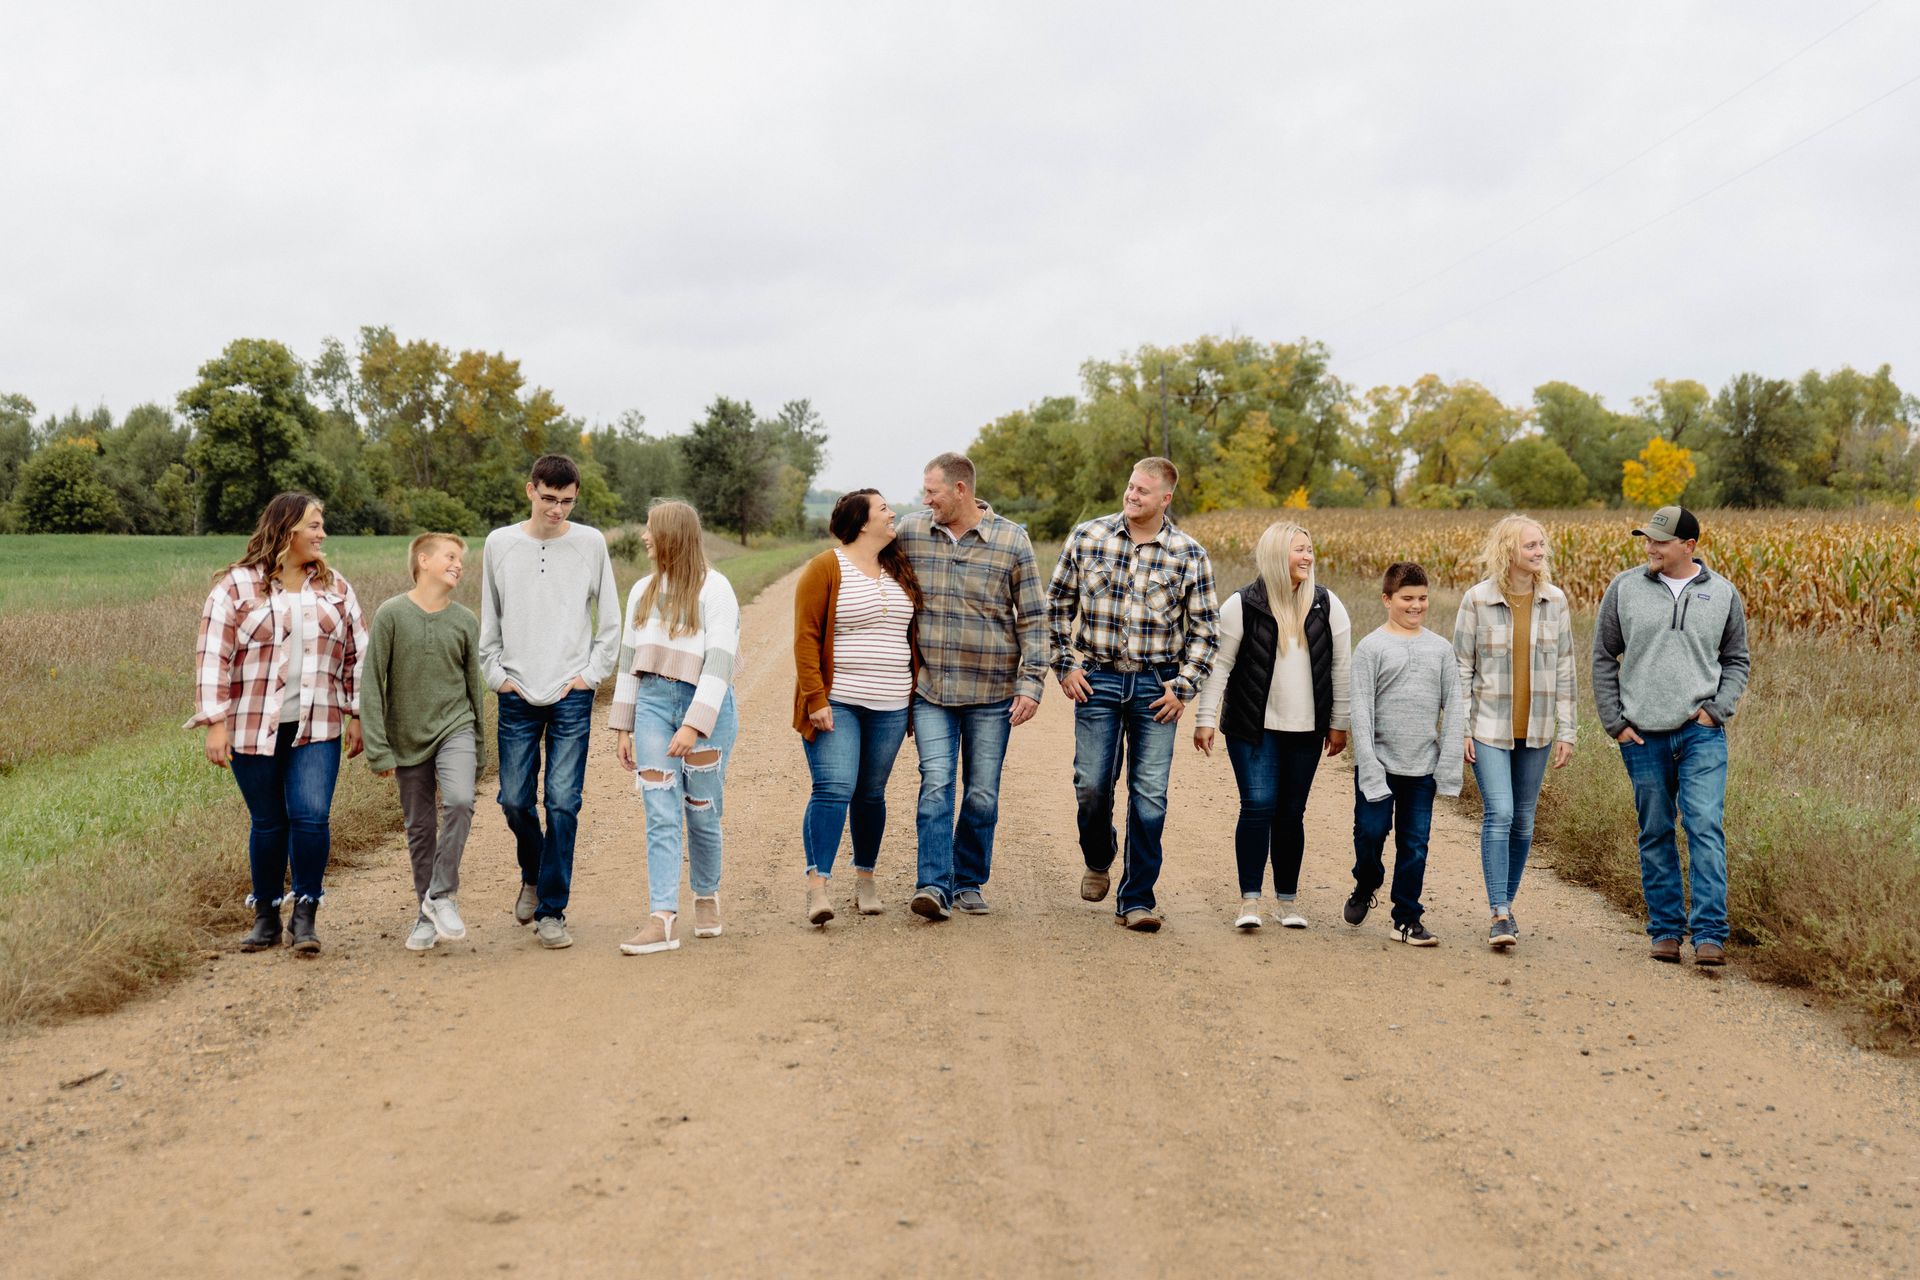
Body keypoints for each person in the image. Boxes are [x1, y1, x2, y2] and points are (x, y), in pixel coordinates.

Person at [188, 492, 366, 954]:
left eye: (321, 525)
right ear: (287, 528)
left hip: (319, 725)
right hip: (251, 725)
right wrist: (215, 722)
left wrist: (358, 713)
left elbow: (358, 653)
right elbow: (214, 656)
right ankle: (265, 915)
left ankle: (304, 914)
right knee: (268, 823)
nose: (322, 534)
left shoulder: (336, 588)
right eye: (314, 525)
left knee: (311, 817)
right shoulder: (235, 588)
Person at [1047, 458, 1219, 932]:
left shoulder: (1189, 554)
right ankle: (1099, 855)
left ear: (1166, 499)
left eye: (1143, 491)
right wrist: (1065, 664)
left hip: (1156, 686)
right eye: (1130, 487)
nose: (1132, 496)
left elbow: (1206, 631)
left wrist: (1184, 687)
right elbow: (1056, 605)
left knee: (1150, 797)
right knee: (1091, 785)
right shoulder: (1088, 537)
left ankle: (1137, 898)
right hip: (1097, 678)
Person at [1591, 505, 1750, 967]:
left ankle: (1709, 935)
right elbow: (1604, 656)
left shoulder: (1722, 593)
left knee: (1704, 827)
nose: (1651, 547)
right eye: (1648, 539)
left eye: (1661, 540)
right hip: (1642, 735)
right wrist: (1615, 723)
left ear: (1689, 546)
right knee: (1656, 831)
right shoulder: (1624, 588)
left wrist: (1717, 711)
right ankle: (1664, 930)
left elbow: (1737, 658)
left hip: (1700, 734)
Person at [894, 451, 1048, 921]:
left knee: (982, 793)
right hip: (933, 691)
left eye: (933, 491)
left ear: (960, 490)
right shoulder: (911, 533)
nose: (926, 500)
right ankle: (934, 885)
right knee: (936, 785)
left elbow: (1035, 617)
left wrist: (1032, 683)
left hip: (992, 692)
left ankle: (969, 880)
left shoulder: (1011, 540)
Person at [478, 453, 622, 951]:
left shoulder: (590, 543)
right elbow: (489, 617)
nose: (557, 509)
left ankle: (552, 910)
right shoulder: (500, 543)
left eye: (566, 501)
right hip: (517, 689)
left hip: (569, 693)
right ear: (530, 491)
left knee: (562, 802)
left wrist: (590, 676)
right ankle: (533, 872)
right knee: (515, 799)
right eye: (549, 499)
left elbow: (609, 622)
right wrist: (496, 675)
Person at [1193, 520, 1349, 930]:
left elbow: (1341, 668)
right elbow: (1219, 667)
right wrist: (1205, 718)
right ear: (1277, 555)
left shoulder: (1327, 604)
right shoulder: (1242, 604)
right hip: (1252, 728)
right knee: (1258, 806)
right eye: (1299, 549)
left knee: (1291, 813)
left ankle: (1287, 901)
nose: (1307, 556)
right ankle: (1249, 902)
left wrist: (1339, 722)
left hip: (1307, 730)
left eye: (1310, 548)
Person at [610, 501, 741, 955]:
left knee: (701, 806)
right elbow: (629, 660)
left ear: (672, 536)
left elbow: (720, 663)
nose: (644, 537)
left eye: (650, 530)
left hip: (705, 710)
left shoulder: (716, 590)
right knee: (659, 810)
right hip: (650, 705)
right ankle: (662, 918)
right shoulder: (641, 590)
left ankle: (706, 895)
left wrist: (693, 726)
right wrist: (623, 725)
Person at [792, 489, 921, 926]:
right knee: (833, 787)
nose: (893, 515)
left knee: (870, 794)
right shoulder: (826, 567)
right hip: (838, 701)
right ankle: (818, 887)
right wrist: (815, 698)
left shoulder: (898, 567)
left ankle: (865, 877)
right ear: (862, 522)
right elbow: (806, 638)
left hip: (890, 703)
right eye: (884, 509)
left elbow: (912, 637)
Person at [1452, 515, 1577, 950]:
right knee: (1500, 812)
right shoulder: (1477, 600)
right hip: (1488, 725)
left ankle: (1508, 902)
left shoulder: (1555, 601)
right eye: (1530, 545)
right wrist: (1461, 726)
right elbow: (1461, 667)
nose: (1539, 552)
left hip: (1539, 727)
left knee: (1524, 821)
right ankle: (1500, 912)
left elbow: (1565, 668)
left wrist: (1568, 730)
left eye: (1542, 544)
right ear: (1508, 550)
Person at [361, 533, 488, 953]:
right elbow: (372, 684)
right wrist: (378, 746)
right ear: (423, 560)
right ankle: (425, 914)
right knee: (420, 828)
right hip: (407, 735)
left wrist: (480, 745)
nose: (458, 565)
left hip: (456, 726)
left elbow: (475, 688)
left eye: (461, 560)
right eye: (451, 557)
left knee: (459, 800)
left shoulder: (466, 620)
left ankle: (441, 894)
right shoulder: (391, 614)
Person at [1343, 562, 1463, 946]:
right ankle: (1366, 881)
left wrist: (1447, 765)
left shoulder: (1441, 649)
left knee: (1415, 845)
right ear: (1387, 599)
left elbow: (1455, 707)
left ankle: (1406, 918)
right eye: (1407, 598)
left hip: (1422, 766)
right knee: (1371, 832)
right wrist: (1369, 764)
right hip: (1378, 763)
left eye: (1423, 598)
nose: (1416, 606)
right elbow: (1360, 710)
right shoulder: (1371, 647)